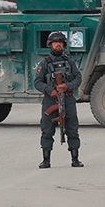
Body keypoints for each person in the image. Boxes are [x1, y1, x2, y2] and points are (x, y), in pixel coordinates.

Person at [34, 32, 83, 168]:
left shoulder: (70, 61)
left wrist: (67, 86)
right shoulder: (44, 63)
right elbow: (37, 82)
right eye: (55, 42)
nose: (58, 44)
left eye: (61, 42)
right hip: (51, 100)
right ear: (50, 45)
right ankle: (46, 160)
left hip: (68, 98)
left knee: (72, 128)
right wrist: (51, 91)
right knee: (47, 129)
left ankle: (75, 159)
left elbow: (78, 78)